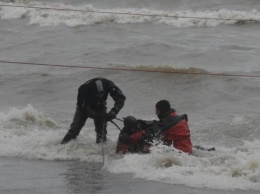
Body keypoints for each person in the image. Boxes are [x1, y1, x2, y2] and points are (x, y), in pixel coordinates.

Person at [61, 77, 126, 144]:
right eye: (98, 94)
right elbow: (81, 107)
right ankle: (62, 147)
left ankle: (99, 151)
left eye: (102, 94)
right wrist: (95, 114)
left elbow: (121, 99)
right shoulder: (83, 89)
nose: (100, 96)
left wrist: (114, 111)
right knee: (74, 130)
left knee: (102, 134)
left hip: (101, 106)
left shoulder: (109, 85)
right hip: (85, 106)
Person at [117, 100, 193, 154]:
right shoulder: (177, 118)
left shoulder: (166, 122)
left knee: (148, 146)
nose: (156, 114)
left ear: (161, 111)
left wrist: (130, 138)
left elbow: (148, 133)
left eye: (157, 111)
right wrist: (144, 122)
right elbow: (159, 125)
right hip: (188, 148)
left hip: (179, 152)